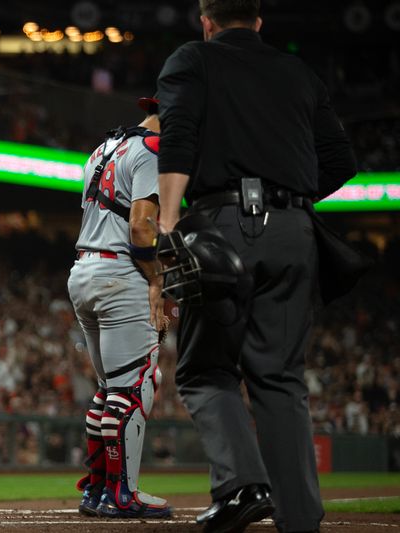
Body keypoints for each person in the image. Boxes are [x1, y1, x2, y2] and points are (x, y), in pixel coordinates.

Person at [156, 1, 357, 531]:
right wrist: (286, 194)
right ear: (259, 21)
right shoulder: (299, 72)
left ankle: (244, 485)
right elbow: (342, 160)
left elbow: (177, 138)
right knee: (282, 380)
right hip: (296, 232)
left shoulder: (192, 59)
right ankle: (300, 522)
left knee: (205, 369)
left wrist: (169, 225)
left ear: (206, 21)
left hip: (220, 225)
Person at [67, 97, 171, 519]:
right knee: (135, 386)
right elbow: (141, 225)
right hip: (120, 274)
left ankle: (97, 490)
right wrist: (158, 279)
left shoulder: (104, 148)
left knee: (110, 389)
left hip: (83, 271)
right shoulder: (153, 150)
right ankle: (122, 493)